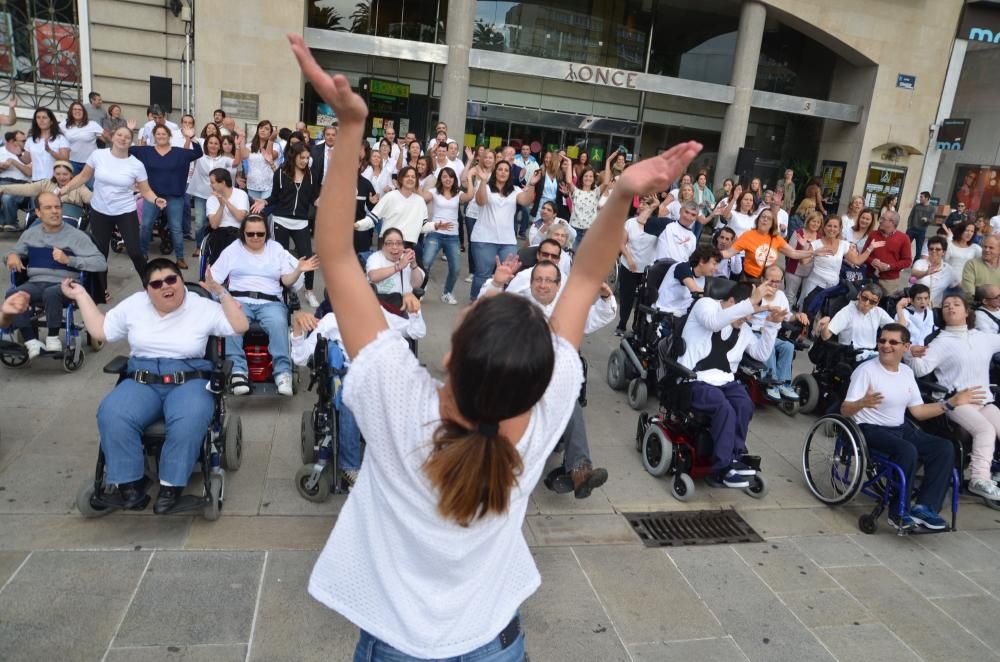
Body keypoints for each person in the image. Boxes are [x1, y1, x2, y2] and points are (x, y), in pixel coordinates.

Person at [288, 33, 702, 659]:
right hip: (494, 642)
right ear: (539, 379)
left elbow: (337, 253)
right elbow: (587, 277)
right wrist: (624, 194)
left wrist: (350, 130)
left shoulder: (401, 405)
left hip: (399, 644)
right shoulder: (543, 417)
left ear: (451, 355)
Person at [61, 258, 249, 513]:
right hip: (142, 378)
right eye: (157, 283)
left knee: (189, 420)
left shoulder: (202, 306)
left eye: (172, 279)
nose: (165, 286)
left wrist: (221, 292)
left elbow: (240, 326)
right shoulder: (135, 305)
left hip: (188, 379)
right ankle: (130, 486)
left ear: (181, 281)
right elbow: (102, 331)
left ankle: (171, 489)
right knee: (112, 413)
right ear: (147, 290)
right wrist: (81, 294)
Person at [482, 257, 616, 497]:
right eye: (538, 280)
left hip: (552, 383)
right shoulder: (517, 308)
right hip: (517, 381)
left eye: (548, 281)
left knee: (569, 403)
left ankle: (579, 470)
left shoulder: (569, 311)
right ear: (531, 283)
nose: (542, 285)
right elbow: (482, 313)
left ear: (557, 285)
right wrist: (496, 283)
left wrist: (605, 297)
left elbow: (601, 317)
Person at [841, 323, 973, 531]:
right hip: (869, 429)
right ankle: (898, 512)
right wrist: (861, 403)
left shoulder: (906, 372)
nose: (886, 346)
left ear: (906, 346)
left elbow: (918, 411)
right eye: (882, 341)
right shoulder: (865, 371)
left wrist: (950, 403)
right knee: (907, 450)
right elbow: (844, 409)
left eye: (893, 342)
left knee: (945, 447)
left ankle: (925, 508)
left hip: (900, 428)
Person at [290, 304, 426, 491]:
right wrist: (298, 327)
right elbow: (301, 358)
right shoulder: (331, 321)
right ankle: (350, 467)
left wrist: (415, 312)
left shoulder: (381, 315)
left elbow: (416, 331)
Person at [677, 280, 783, 487]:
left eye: (751, 313)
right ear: (732, 301)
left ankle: (734, 457)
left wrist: (772, 325)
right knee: (723, 408)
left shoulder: (742, 327)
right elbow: (714, 323)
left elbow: (760, 353)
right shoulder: (706, 305)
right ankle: (722, 468)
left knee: (744, 403)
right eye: (746, 311)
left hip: (724, 382)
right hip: (694, 379)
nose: (747, 318)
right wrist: (749, 304)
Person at [905, 294, 1000, 501]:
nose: (951, 308)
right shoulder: (941, 342)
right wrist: (910, 352)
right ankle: (978, 478)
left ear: (967, 312)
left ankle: (995, 474)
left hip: (984, 401)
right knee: (986, 429)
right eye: (946, 306)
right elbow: (920, 370)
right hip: (956, 402)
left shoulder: (983, 337)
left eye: (957, 304)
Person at [210, 215, 317, 396]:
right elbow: (214, 279)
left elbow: (286, 280)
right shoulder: (232, 250)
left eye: (260, 233)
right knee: (233, 321)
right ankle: (238, 371)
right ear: (243, 233)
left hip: (270, 301)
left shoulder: (276, 249)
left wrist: (298, 270)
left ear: (266, 233)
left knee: (278, 323)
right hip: (239, 300)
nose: (255, 237)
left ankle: (282, 372)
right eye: (250, 233)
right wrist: (223, 297)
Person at [4, 192, 107, 358]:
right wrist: (11, 256)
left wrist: (69, 260)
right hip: (36, 283)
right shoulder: (30, 234)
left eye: (57, 207)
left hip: (66, 284)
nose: (55, 211)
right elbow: (14, 252)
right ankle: (31, 342)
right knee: (13, 294)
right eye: (48, 208)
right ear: (38, 212)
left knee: (51, 293)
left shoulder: (76, 236)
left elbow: (100, 262)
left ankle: (53, 339)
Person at [57, 125, 161, 279]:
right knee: (100, 252)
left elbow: (146, 190)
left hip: (125, 211)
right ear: (112, 137)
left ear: (130, 142)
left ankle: (149, 285)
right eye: (119, 134)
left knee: (135, 252)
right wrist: (62, 190)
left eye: (127, 137)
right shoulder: (98, 155)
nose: (122, 138)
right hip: (99, 211)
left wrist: (156, 199)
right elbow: (83, 177)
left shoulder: (136, 165)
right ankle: (101, 290)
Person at [251, 142, 321, 308]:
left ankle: (309, 291)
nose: (305, 161)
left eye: (307, 158)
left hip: (301, 222)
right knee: (279, 257)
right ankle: (280, 290)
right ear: (293, 157)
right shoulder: (281, 174)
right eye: (301, 157)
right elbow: (275, 197)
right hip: (281, 220)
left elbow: (313, 198)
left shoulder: (311, 176)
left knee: (307, 257)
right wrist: (265, 201)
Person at [129, 123, 202, 268]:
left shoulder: (180, 152)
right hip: (152, 196)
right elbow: (126, 148)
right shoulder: (146, 151)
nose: (161, 136)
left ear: (169, 136)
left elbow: (198, 153)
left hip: (174, 196)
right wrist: (129, 131)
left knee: (176, 227)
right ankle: (143, 253)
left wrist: (192, 137)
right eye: (158, 134)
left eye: (164, 134)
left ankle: (180, 258)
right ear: (154, 136)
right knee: (145, 225)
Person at [469, 159, 540, 299]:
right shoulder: (487, 188)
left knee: (507, 274)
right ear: (495, 172)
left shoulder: (515, 191)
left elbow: (526, 201)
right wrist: (483, 181)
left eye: (506, 170)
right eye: (500, 169)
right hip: (484, 239)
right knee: (483, 274)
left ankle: (498, 303)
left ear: (510, 174)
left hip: (507, 241)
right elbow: (481, 201)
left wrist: (531, 184)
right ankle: (476, 302)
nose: (503, 172)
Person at [416, 166, 474, 305]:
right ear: (440, 179)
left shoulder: (458, 193)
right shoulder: (434, 192)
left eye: (451, 176)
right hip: (435, 233)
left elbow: (469, 196)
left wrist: (470, 178)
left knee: (456, 269)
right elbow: (423, 197)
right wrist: (417, 180)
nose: (448, 179)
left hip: (452, 237)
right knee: (425, 263)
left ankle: (447, 293)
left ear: (454, 179)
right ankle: (420, 288)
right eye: (444, 176)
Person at [753, 265, 809, 401]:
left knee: (788, 347)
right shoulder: (755, 293)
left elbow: (788, 316)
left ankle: (783, 383)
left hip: (773, 334)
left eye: (777, 281)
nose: (774, 284)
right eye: (770, 280)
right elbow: (746, 312)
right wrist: (762, 315)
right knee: (769, 346)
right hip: (754, 333)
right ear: (762, 279)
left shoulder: (781, 296)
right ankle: (771, 381)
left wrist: (798, 315)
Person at [721, 207, 821, 282]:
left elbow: (793, 253)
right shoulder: (748, 235)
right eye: (763, 217)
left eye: (769, 218)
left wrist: (813, 252)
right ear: (758, 220)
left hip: (768, 281)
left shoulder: (776, 238)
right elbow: (729, 253)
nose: (765, 219)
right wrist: (711, 254)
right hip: (750, 280)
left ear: (773, 223)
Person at [798, 215, 877, 306]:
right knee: (808, 316)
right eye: (829, 226)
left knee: (826, 317)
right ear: (824, 227)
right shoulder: (816, 244)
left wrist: (870, 249)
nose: (832, 229)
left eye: (835, 226)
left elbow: (857, 261)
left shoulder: (843, 244)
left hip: (832, 289)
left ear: (839, 229)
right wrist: (805, 247)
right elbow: (803, 262)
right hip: (814, 287)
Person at [0, 160, 91, 227]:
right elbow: (25, 188)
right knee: (33, 230)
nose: (61, 177)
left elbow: (89, 198)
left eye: (65, 174)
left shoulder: (79, 187)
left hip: (69, 218)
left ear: (71, 175)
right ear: (54, 174)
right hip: (45, 218)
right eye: (58, 174)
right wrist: (3, 188)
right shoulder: (46, 184)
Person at [616, 196, 658, 335]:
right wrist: (629, 258)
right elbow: (622, 243)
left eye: (646, 204)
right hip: (628, 266)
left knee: (643, 299)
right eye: (641, 203)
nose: (641, 205)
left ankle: (637, 327)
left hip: (646, 270)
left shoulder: (655, 225)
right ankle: (622, 325)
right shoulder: (630, 223)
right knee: (626, 297)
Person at [187, 135, 234, 256]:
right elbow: (185, 153)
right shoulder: (199, 156)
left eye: (216, 143)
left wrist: (239, 144)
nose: (213, 145)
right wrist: (189, 138)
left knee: (216, 222)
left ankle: (214, 245)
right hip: (201, 195)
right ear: (206, 145)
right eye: (211, 143)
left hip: (217, 196)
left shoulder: (224, 160)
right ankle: (199, 246)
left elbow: (237, 162)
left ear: (220, 146)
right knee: (199, 223)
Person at [815, 283, 897, 350]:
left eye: (872, 302)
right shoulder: (847, 312)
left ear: (877, 303)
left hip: (870, 354)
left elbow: (896, 329)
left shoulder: (878, 312)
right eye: (865, 298)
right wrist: (825, 325)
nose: (867, 303)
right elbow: (826, 336)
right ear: (859, 295)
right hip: (850, 354)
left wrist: (899, 309)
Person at [365, 228, 425, 314]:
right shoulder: (376, 257)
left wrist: (414, 265)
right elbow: (373, 276)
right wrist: (399, 266)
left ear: (403, 246)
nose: (394, 247)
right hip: (381, 309)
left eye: (399, 243)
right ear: (383, 246)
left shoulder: (406, 258)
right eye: (389, 243)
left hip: (406, 309)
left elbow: (416, 285)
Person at [654, 246, 721, 316]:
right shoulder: (682, 267)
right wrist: (718, 303)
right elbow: (695, 290)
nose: (717, 268)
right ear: (702, 261)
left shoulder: (703, 278)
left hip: (682, 316)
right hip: (664, 313)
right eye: (714, 264)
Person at [204, 168, 251, 261]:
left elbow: (240, 217)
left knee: (233, 240)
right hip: (219, 231)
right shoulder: (211, 199)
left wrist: (225, 201)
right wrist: (221, 206)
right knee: (219, 239)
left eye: (213, 182)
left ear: (223, 182)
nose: (210, 185)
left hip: (238, 231)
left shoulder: (241, 194)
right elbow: (214, 225)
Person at [561, 156, 604, 251]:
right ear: (582, 178)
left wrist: (608, 161)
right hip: (574, 229)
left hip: (590, 230)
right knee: (572, 255)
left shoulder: (596, 192)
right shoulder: (575, 191)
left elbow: (606, 183)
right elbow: (568, 181)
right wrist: (569, 162)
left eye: (590, 176)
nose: (588, 178)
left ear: (593, 179)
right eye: (586, 176)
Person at [863, 210, 912, 294]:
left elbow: (907, 261)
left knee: (886, 305)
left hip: (889, 282)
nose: (880, 220)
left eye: (883, 219)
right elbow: (863, 254)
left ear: (892, 223)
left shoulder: (904, 238)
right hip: (870, 277)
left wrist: (889, 266)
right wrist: (872, 261)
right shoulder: (873, 234)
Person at [784, 210, 822, 305]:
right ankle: (786, 318)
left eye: (818, 222)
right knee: (790, 297)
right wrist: (801, 246)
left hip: (811, 273)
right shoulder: (798, 232)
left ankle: (799, 318)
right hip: (794, 270)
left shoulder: (820, 237)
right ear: (808, 221)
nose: (815, 224)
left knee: (804, 298)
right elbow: (790, 251)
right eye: (813, 221)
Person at [59, 101, 106, 177]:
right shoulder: (64, 124)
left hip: (90, 162)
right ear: (71, 111)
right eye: (75, 109)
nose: (77, 111)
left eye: (80, 109)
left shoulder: (92, 124)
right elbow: (55, 136)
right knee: (74, 187)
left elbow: (106, 139)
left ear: (84, 112)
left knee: (91, 186)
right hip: (72, 161)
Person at [23, 108, 70, 183]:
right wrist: (18, 153)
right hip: (36, 180)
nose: (41, 120)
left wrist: (50, 151)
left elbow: (65, 159)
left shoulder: (60, 138)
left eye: (44, 117)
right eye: (38, 117)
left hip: (54, 181)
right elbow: (26, 160)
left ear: (51, 121)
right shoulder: (31, 139)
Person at [910, 236, 958, 307]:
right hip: (916, 306)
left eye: (938, 249)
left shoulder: (949, 269)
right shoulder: (920, 263)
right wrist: (925, 273)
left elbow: (957, 285)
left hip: (935, 308)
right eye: (931, 249)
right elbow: (914, 274)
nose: (934, 251)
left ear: (943, 252)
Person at [240, 120, 279, 203]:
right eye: (261, 128)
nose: (263, 130)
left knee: (264, 211)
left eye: (266, 129)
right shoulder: (249, 146)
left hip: (269, 185)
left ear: (271, 133)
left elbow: (269, 157)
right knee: (254, 212)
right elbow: (243, 156)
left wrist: (270, 141)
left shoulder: (276, 146)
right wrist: (242, 138)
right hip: (252, 184)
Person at [907, 191, 935, 259]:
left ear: (927, 198)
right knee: (904, 246)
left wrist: (927, 220)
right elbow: (910, 216)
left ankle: (915, 265)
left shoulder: (932, 208)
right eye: (920, 197)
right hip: (911, 229)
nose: (920, 198)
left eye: (921, 197)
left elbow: (932, 220)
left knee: (919, 251)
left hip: (921, 231)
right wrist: (909, 227)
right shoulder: (916, 206)